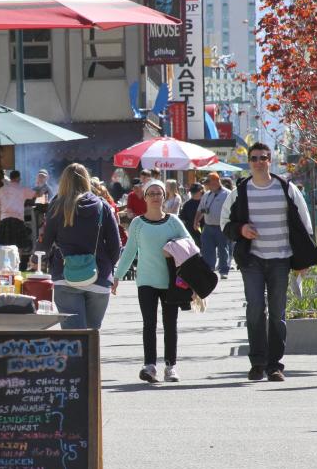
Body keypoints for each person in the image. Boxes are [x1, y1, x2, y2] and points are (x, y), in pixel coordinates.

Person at [220, 142, 317, 382]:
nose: (258, 162)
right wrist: (241, 229)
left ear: (269, 160)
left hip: (280, 258)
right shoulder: (241, 191)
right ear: (249, 162)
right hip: (252, 260)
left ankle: (274, 365)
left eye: (263, 158)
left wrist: (303, 258)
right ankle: (257, 362)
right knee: (255, 309)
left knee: (277, 313)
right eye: (254, 158)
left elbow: (304, 223)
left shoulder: (286, 188)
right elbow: (225, 223)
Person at [114, 179, 193, 383]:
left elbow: (190, 246)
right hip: (146, 280)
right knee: (149, 323)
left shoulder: (174, 221)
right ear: (145, 197)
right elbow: (130, 251)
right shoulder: (138, 223)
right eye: (151, 193)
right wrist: (117, 276)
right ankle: (149, 366)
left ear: (164, 197)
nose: (156, 197)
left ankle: (170, 366)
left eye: (159, 193)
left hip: (170, 281)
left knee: (170, 324)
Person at [41, 163, 121, 329]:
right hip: (98, 277)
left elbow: (46, 241)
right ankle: (91, 356)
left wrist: (38, 259)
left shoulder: (57, 206)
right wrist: (108, 268)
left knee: (74, 338)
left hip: (65, 276)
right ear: (86, 180)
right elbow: (115, 246)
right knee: (92, 335)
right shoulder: (102, 206)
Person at [195, 172, 231, 280]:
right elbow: (200, 209)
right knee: (207, 249)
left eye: (208, 182)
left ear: (216, 181)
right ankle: (209, 269)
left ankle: (223, 270)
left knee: (223, 249)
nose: (207, 185)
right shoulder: (206, 194)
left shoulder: (227, 194)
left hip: (222, 227)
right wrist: (196, 221)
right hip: (208, 226)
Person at [0, 169, 36, 250]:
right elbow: (36, 194)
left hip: (4, 220)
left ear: (10, 177)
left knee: (5, 247)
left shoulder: (1, 190)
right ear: (18, 178)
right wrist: (41, 190)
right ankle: (17, 263)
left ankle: (7, 262)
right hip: (17, 220)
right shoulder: (22, 189)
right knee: (18, 247)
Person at [179, 182, 205, 247]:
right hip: (191, 233)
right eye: (192, 192)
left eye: (195, 192)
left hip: (205, 231)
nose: (193, 194)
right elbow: (182, 218)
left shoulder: (206, 202)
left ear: (201, 191)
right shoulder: (187, 204)